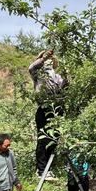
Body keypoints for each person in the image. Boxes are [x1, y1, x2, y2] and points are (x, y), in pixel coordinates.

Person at [28, 49, 67, 177]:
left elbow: (63, 86)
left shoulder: (56, 76)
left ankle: (48, 169)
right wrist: (44, 57)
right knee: (43, 138)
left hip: (56, 109)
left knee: (53, 139)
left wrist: (68, 75)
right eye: (47, 60)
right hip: (44, 108)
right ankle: (41, 169)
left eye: (51, 60)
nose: (49, 61)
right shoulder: (38, 73)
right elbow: (31, 68)